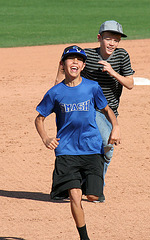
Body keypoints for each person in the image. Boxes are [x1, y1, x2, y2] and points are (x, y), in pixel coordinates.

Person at [35, 45, 120, 240]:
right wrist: (46, 138)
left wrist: (116, 126)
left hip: (91, 148)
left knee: (93, 196)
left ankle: (81, 181)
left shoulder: (92, 87)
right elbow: (39, 118)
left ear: (83, 65)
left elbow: (107, 110)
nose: (75, 62)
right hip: (66, 150)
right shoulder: (55, 93)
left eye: (79, 60)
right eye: (70, 59)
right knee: (74, 195)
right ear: (62, 65)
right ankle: (84, 238)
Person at [55, 20, 135, 202]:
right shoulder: (88, 56)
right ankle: (95, 189)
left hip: (111, 110)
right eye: (108, 39)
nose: (112, 43)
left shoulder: (122, 56)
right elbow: (66, 61)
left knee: (103, 149)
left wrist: (113, 72)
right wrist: (58, 87)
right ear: (99, 38)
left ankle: (90, 185)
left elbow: (130, 84)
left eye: (116, 39)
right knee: (107, 145)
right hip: (91, 109)